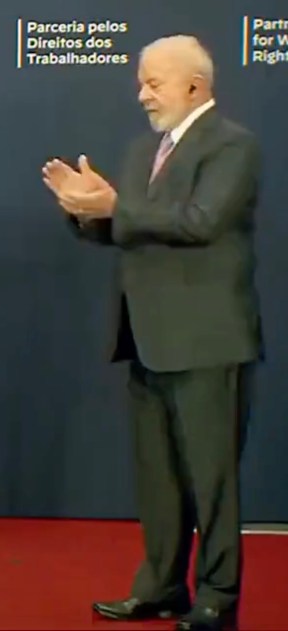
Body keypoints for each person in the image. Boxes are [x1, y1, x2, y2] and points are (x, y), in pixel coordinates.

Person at [42, 35, 261, 631]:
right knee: (159, 480)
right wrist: (82, 210)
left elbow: (199, 221)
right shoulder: (145, 150)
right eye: (141, 81)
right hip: (145, 338)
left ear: (194, 85)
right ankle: (162, 586)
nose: (141, 94)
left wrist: (116, 206)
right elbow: (128, 229)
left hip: (208, 342)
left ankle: (217, 597)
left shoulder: (234, 146)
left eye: (153, 82)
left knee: (211, 482)